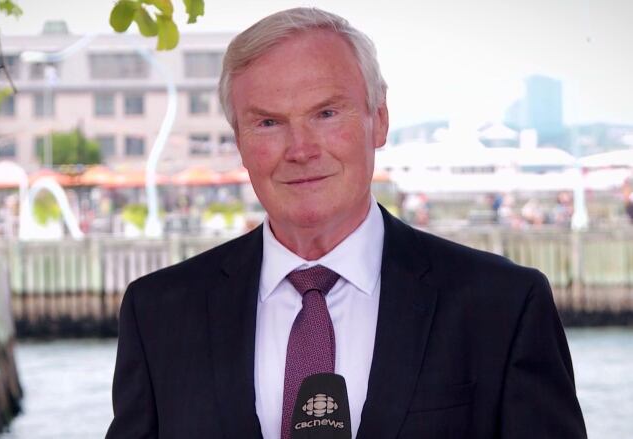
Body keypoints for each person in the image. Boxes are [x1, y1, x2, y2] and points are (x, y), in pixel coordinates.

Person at [106, 8, 586, 439]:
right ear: (239, 140)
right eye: (268, 123)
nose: (301, 149)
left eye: (326, 113)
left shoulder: (501, 306)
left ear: (378, 119)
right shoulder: (159, 315)